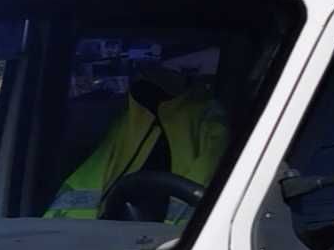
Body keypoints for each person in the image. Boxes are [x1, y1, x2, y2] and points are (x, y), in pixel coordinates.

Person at [47, 56, 229, 221]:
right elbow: (72, 202)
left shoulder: (207, 120)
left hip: (187, 245)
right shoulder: (123, 122)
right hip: (89, 244)